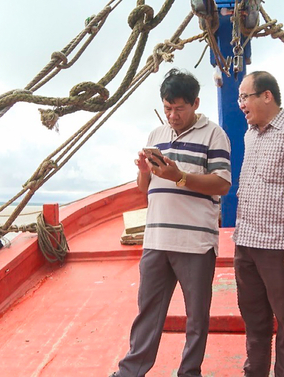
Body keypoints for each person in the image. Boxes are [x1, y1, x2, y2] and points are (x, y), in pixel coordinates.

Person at [110, 68, 232, 377]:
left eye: (179, 108)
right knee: (147, 311)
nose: (172, 115)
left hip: (195, 242)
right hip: (155, 240)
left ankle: (189, 372)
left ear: (195, 104)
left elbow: (222, 184)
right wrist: (143, 170)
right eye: (167, 108)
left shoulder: (214, 135)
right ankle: (131, 371)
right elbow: (144, 188)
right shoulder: (156, 135)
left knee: (196, 316)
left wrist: (179, 176)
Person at [232, 71, 284, 377]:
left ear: (266, 96)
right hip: (246, 244)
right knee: (255, 322)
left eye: (245, 96)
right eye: (239, 97)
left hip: (278, 247)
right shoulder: (250, 134)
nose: (240, 103)